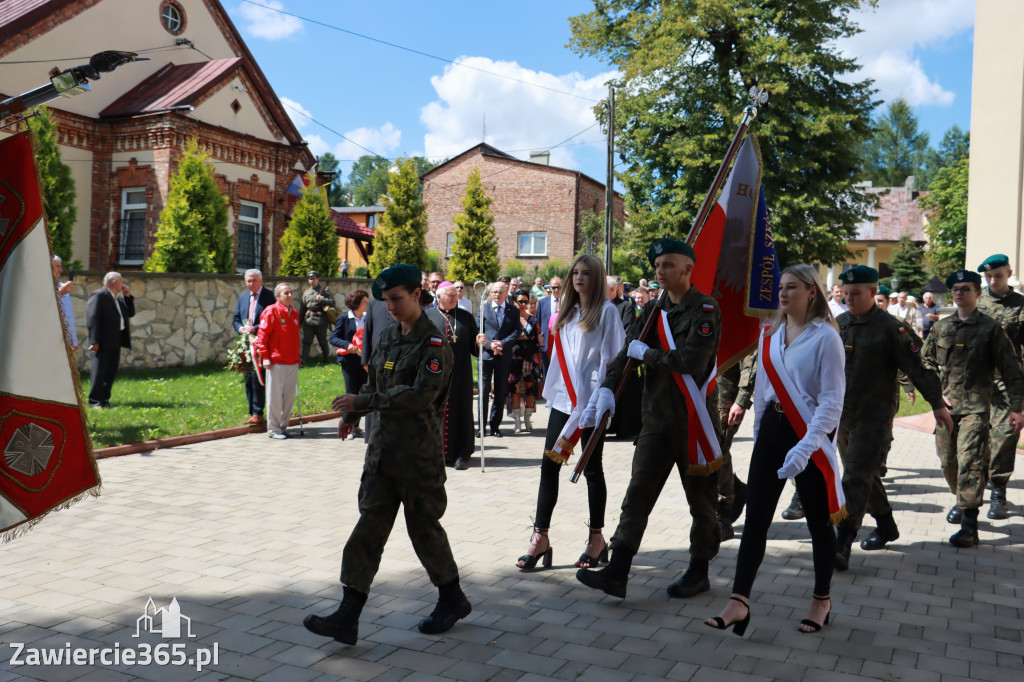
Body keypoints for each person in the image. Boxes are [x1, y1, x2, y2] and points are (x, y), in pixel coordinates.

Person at [304, 264, 470, 644]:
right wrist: (353, 413)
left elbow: (419, 396)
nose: (390, 307)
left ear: (416, 294)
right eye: (386, 301)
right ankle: (348, 615)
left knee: (424, 531)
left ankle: (452, 597)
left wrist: (365, 400)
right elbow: (375, 380)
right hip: (382, 454)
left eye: (396, 299)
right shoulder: (390, 335)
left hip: (418, 458)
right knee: (367, 531)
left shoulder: (435, 344)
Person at [576, 239, 723, 600]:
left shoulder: (705, 309)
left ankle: (699, 569)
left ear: (688, 269)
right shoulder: (654, 310)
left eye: (669, 265)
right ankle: (619, 570)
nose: (661, 271)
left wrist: (651, 354)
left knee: (701, 503)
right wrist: (608, 388)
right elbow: (628, 352)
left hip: (693, 422)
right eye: (658, 265)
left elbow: (692, 361)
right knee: (637, 495)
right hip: (656, 421)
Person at [706, 264, 845, 636]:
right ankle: (739, 601)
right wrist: (758, 433)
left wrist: (806, 447)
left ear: (811, 292)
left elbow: (832, 402)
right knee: (756, 521)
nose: (783, 294)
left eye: (792, 288)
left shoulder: (826, 338)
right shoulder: (769, 334)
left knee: (818, 522)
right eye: (781, 288)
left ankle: (821, 599)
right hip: (772, 432)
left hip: (809, 435)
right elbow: (764, 392)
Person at [832, 266, 952, 570]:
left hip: (874, 417)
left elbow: (918, 366)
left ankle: (843, 540)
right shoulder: (838, 324)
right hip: (841, 415)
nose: (849, 299)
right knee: (863, 474)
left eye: (856, 293)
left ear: (873, 292)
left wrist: (937, 403)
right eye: (846, 294)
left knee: (855, 477)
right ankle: (886, 524)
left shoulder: (891, 328)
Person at [517, 255, 625, 572]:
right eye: (575, 272)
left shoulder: (606, 313)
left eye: (586, 273)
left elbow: (613, 362)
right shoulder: (567, 312)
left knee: (592, 470)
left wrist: (601, 399)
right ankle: (540, 537)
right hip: (565, 404)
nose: (579, 277)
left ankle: (596, 538)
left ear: (597, 277)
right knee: (549, 465)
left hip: (591, 405)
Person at [923, 269, 1024, 546]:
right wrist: (934, 394)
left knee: (970, 462)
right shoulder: (942, 328)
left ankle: (970, 524)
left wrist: (1017, 408)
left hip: (976, 409)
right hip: (945, 410)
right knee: (949, 463)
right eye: (955, 289)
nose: (959, 293)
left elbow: (1012, 370)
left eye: (966, 288)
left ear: (978, 293)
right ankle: (962, 498)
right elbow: (926, 363)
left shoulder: (991, 329)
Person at [976, 254, 1024, 519]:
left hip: (1008, 382)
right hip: (977, 382)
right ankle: (969, 495)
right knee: (975, 437)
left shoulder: (1021, 306)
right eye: (988, 276)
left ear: (1009, 272)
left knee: (1005, 437)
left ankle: (998, 492)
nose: (993, 280)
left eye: (998, 275)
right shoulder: (976, 302)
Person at [427, 282, 479, 470]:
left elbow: (476, 349)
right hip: (435, 376)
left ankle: (462, 454)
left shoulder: (465, 316)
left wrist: (481, 343)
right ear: (439, 297)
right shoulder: (427, 317)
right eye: (450, 295)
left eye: (456, 295)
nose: (455, 297)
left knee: (462, 411)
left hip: (461, 376)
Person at [715, 352, 756, 540]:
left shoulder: (736, 321)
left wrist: (742, 400)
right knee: (707, 453)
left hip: (725, 397)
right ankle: (736, 489)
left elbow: (750, 354)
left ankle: (723, 512)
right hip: (700, 395)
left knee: (717, 450)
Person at [253, 283, 301, 439]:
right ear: (277, 296)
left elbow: (295, 338)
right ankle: (273, 429)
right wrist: (265, 357)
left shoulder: (294, 313)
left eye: (291, 292)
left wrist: (298, 356)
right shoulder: (271, 311)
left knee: (288, 397)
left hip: (292, 361)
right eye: (285, 293)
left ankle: (283, 426)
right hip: (277, 361)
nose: (289, 295)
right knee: (275, 397)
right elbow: (262, 336)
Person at [475, 280, 522, 437]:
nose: (496, 294)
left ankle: (495, 426)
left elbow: (516, 332)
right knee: (483, 391)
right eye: (494, 292)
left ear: (506, 292)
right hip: (486, 356)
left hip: (503, 355)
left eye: (500, 291)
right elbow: (478, 329)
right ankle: (481, 427)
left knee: (501, 392)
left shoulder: (513, 311)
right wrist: (489, 345)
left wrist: (501, 343)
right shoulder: (484, 308)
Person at [233, 269, 276, 424]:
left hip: (262, 344)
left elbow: (272, 320)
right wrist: (241, 328)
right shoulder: (243, 298)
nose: (251, 284)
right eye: (248, 281)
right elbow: (236, 319)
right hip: (246, 345)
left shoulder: (270, 297)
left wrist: (255, 328)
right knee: (248, 377)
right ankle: (251, 411)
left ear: (261, 280)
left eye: (254, 280)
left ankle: (259, 413)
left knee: (258, 378)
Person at [86, 271, 135, 408]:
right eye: (121, 281)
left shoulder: (118, 298)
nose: (123, 284)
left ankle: (105, 400)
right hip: (102, 341)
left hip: (116, 339)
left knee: (110, 372)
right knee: (99, 371)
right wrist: (94, 341)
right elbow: (93, 318)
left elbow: (130, 313)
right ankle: (94, 401)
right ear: (113, 282)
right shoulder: (99, 296)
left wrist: (128, 297)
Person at [330, 288, 369, 439]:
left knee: (361, 391)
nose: (367, 305)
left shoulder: (367, 318)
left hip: (363, 361)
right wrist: (347, 345)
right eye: (365, 302)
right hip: (349, 361)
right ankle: (348, 424)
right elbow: (333, 338)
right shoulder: (344, 319)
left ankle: (356, 425)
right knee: (351, 391)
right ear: (357, 303)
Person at [505, 288, 543, 435]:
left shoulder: (533, 320)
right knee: (515, 389)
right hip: (514, 358)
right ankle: (517, 421)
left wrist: (539, 363)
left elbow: (539, 342)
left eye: (525, 301)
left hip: (530, 359)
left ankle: (528, 419)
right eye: (520, 301)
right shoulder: (509, 319)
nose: (523, 304)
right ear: (514, 302)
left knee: (530, 389)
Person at [299, 271, 335, 365]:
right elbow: (303, 308)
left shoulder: (324, 290)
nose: (312, 280)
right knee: (307, 341)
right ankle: (303, 361)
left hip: (321, 320)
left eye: (314, 278)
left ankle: (326, 360)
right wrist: (299, 322)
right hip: (308, 320)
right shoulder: (306, 293)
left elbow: (332, 302)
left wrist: (322, 299)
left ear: (318, 279)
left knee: (323, 341)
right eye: (310, 279)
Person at [537, 276, 563, 374]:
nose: (556, 290)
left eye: (558, 287)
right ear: (550, 288)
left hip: (562, 341)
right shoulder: (542, 303)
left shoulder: (567, 303)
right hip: (547, 342)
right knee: (546, 371)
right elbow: (538, 322)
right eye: (553, 287)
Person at [52, 255, 78, 350]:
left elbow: (68, 315)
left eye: (61, 266)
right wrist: (59, 293)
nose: (61, 270)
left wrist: (73, 340)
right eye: (57, 266)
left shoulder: (63, 287)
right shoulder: (42, 287)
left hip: (64, 341)